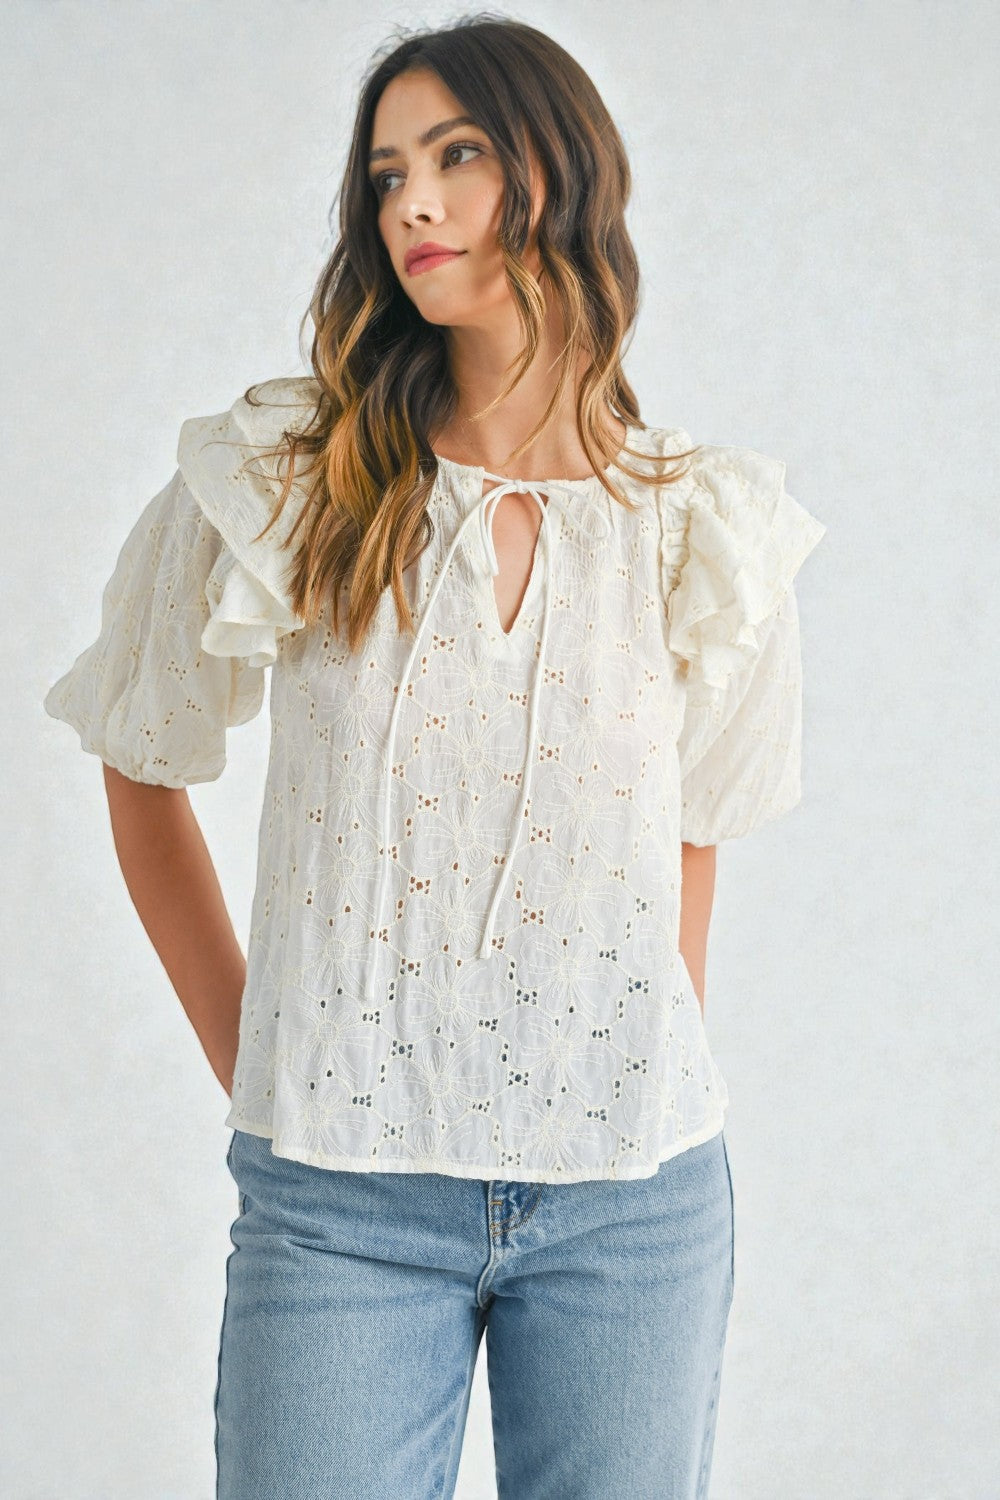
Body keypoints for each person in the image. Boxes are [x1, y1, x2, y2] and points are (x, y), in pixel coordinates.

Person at [42, 15, 826, 1500]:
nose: (412, 202)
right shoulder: (288, 476)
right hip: (339, 1203)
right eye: (390, 170)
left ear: (564, 172)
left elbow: (692, 834)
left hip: (638, 1206)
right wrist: (260, 1060)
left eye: (457, 155)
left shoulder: (700, 525)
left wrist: (629, 1064)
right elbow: (143, 760)